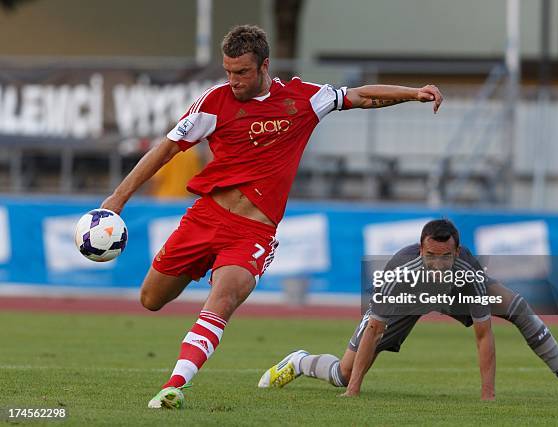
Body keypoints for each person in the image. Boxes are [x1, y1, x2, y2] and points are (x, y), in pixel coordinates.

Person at [100, 24, 443, 409]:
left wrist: (414, 93)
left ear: (265, 66)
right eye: (228, 71)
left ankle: (174, 385)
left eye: (242, 72)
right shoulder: (213, 103)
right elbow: (165, 150)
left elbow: (361, 95)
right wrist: (117, 198)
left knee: (223, 298)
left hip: (252, 233)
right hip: (205, 218)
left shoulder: (303, 98)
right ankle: (184, 348)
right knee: (150, 298)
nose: (233, 81)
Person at [258, 220, 558, 404]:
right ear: (421, 249)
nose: (437, 263)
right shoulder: (398, 273)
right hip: (407, 301)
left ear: (457, 252)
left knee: (519, 307)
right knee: (344, 374)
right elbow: (374, 329)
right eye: (431, 255)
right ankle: (299, 361)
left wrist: (488, 398)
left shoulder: (468, 271)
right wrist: (353, 390)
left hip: (454, 294)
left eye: (445, 256)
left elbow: (483, 336)